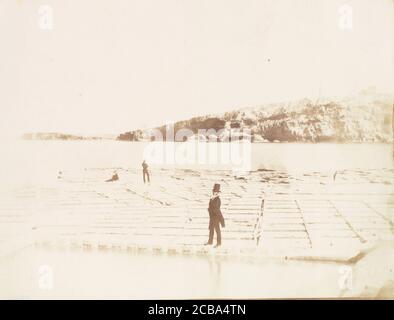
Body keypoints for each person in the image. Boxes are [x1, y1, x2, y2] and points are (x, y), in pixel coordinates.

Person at [205, 183, 225, 248]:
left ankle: (219, 243)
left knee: (217, 230)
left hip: (216, 217)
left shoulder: (217, 199)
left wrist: (221, 219)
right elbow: (210, 207)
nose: (215, 193)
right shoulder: (212, 198)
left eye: (216, 192)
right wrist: (209, 209)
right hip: (212, 217)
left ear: (218, 193)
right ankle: (210, 242)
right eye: (214, 192)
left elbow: (217, 209)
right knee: (211, 229)